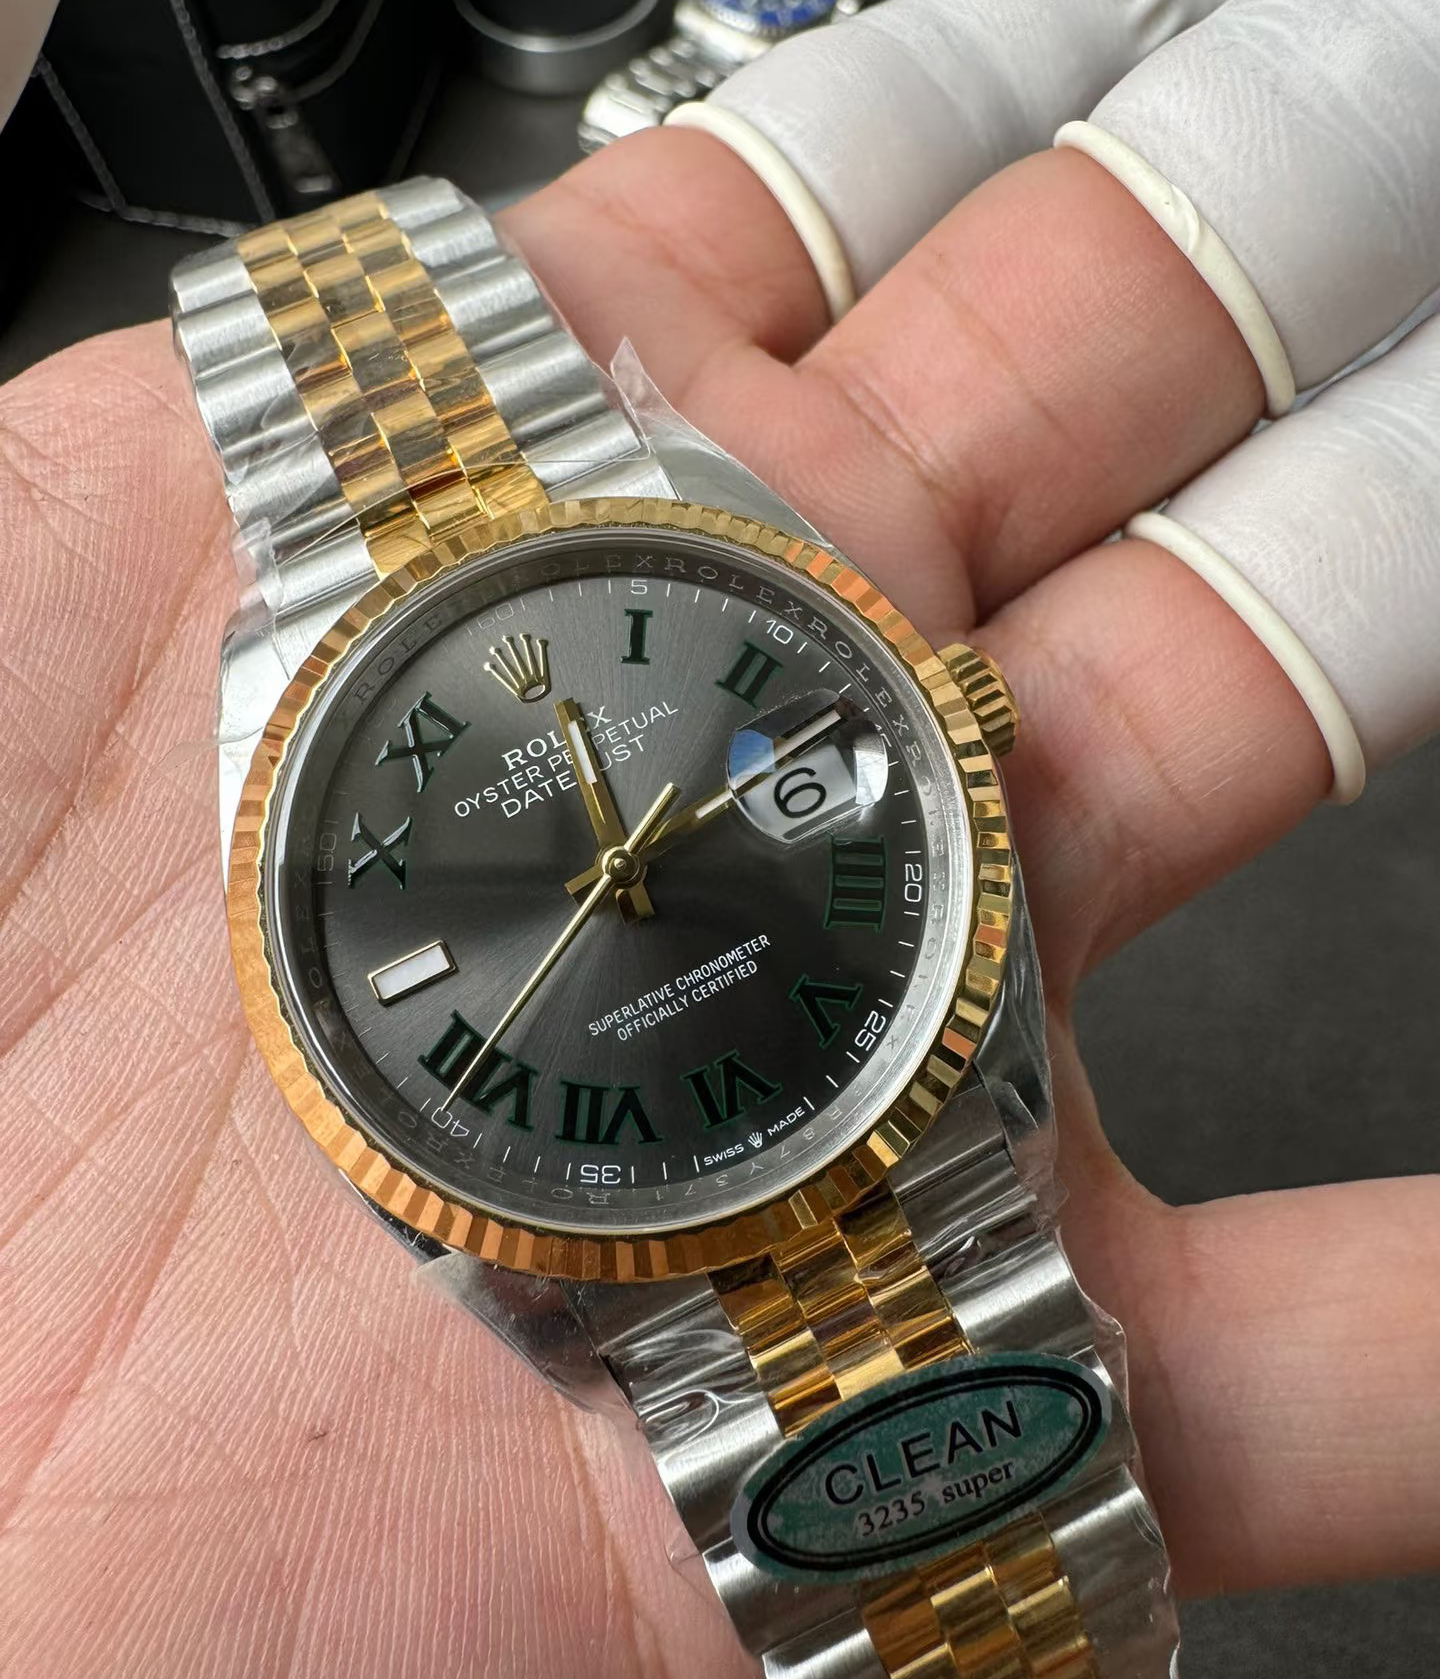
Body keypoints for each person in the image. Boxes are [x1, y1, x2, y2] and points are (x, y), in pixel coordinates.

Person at [0, 121, 1434, 1676]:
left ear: (947, 721)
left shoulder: (719, 599)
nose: (620, 877)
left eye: (625, 862)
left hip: (891, 1100)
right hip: (676, 1211)